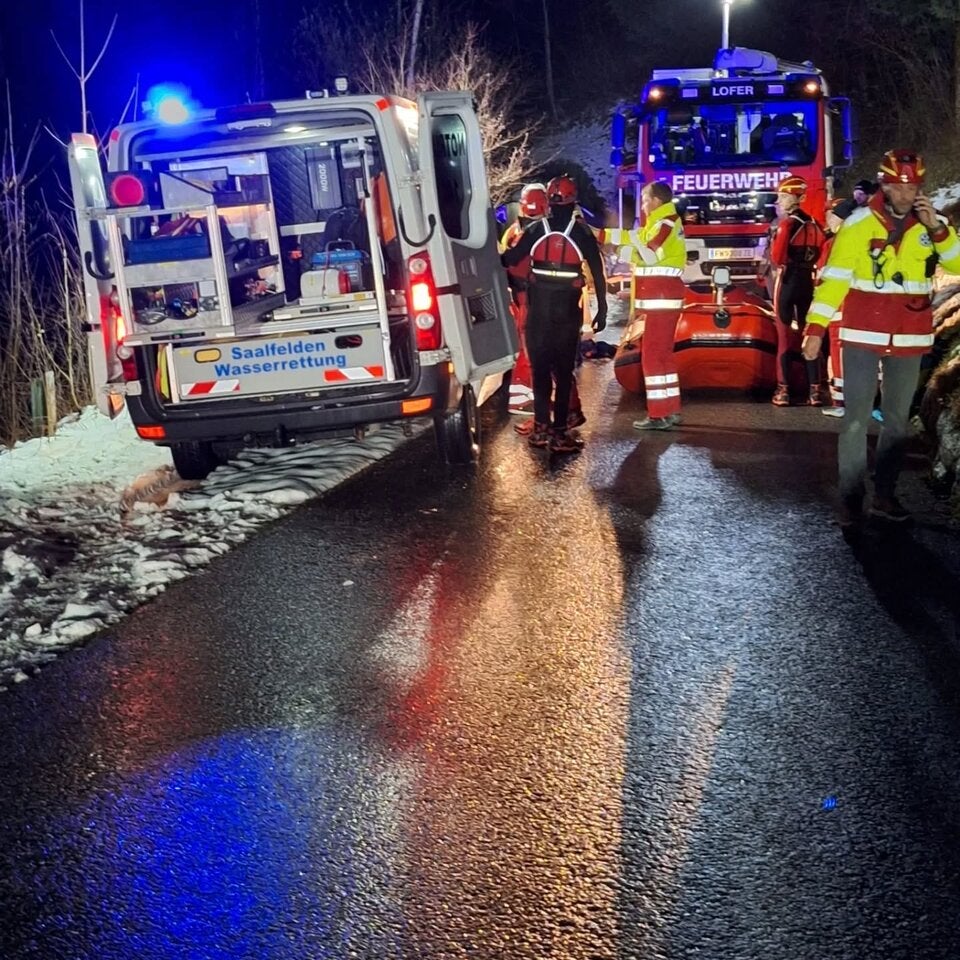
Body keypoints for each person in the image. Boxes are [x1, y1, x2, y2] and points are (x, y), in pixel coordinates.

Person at [802, 148, 960, 525]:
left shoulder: (932, 224)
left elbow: (956, 263)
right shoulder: (858, 225)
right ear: (885, 185)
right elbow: (834, 281)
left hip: (910, 337)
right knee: (856, 419)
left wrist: (938, 230)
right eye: (898, 187)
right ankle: (852, 496)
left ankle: (885, 496)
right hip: (861, 333)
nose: (906, 195)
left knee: (896, 422)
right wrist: (815, 329)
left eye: (913, 188)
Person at [501, 175, 607, 454]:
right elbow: (597, 270)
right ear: (574, 201)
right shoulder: (582, 233)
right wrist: (602, 309)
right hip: (566, 315)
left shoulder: (535, 230)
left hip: (538, 313)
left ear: (549, 200)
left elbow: (509, 259)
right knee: (562, 370)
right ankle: (560, 433)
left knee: (540, 373)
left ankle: (540, 429)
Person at [602, 180, 687, 430]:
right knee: (662, 356)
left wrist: (629, 254)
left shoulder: (664, 225)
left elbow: (649, 254)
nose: (641, 203)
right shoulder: (660, 223)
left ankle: (658, 414)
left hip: (661, 300)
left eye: (644, 198)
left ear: (656, 201)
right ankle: (670, 409)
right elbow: (629, 235)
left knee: (652, 356)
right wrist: (598, 233)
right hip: (664, 299)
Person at [769, 175, 826, 406]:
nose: (780, 201)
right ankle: (815, 391)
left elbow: (777, 257)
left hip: (788, 280)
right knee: (808, 335)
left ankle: (783, 391)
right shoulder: (814, 223)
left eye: (783, 196)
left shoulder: (786, 224)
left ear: (794, 198)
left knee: (783, 338)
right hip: (807, 281)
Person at [500, 183, 546, 418]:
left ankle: (529, 394)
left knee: (530, 347)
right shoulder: (537, 232)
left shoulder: (514, 231)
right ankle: (519, 400)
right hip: (528, 297)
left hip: (520, 296)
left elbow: (504, 260)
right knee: (530, 348)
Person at [820, 197, 857, 418]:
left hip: (837, 308)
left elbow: (825, 279)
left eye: (831, 215)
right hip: (855, 309)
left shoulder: (833, 244)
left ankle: (841, 402)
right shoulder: (860, 239)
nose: (827, 219)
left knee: (838, 356)